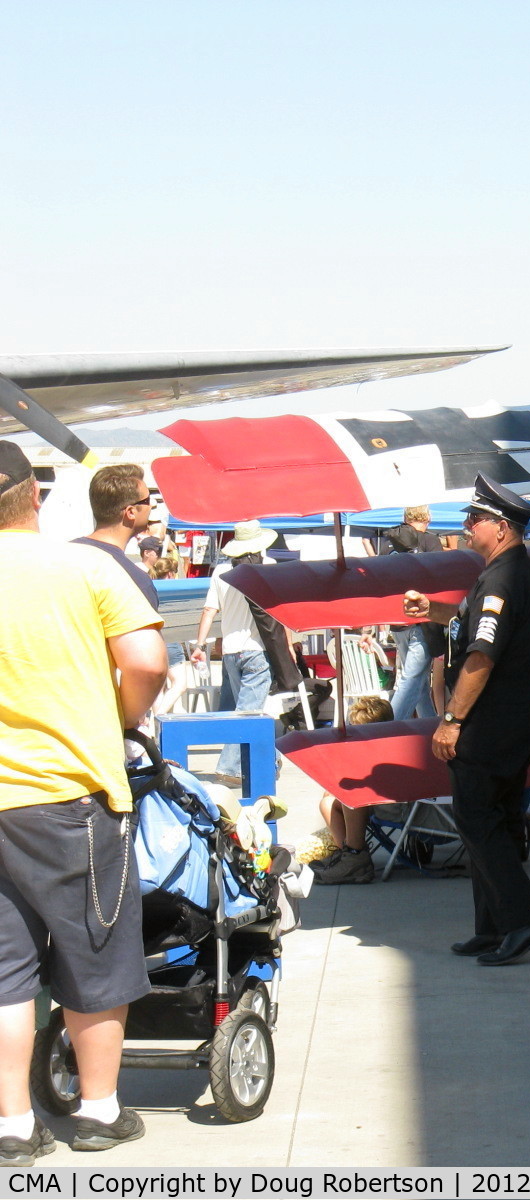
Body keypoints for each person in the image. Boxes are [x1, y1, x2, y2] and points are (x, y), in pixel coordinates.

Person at [0, 440, 166, 1160]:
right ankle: (98, 1111)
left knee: (4, 973)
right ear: (34, 496)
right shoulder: (84, 565)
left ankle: (11, 1125)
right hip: (71, 794)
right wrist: (119, 718)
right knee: (92, 953)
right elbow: (146, 661)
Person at [403, 475, 530, 966]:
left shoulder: (501, 580)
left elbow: (480, 656)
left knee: (476, 820)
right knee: (500, 822)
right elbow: (476, 621)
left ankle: (524, 922)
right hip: (515, 722)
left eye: (476, 519)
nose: (467, 527)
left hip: (489, 725)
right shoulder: (514, 574)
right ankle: (492, 929)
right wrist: (435, 609)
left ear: (502, 528)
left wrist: (450, 719)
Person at [190, 520, 280, 786]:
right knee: (249, 712)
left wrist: (199, 645)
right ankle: (229, 767)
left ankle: (270, 760)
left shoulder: (220, 571)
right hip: (257, 649)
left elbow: (209, 610)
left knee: (248, 710)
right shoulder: (269, 568)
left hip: (231, 651)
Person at [311, 696, 395, 885]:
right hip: (381, 800)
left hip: (392, 804)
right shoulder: (379, 746)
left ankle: (355, 856)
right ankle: (348, 856)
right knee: (328, 799)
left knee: (350, 792)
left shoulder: (385, 749)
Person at [378, 506, 446, 719]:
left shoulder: (387, 543)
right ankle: (389, 727)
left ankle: (428, 728)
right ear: (428, 517)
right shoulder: (429, 541)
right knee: (412, 680)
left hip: (397, 620)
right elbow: (441, 577)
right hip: (422, 620)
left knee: (419, 684)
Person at [71, 464, 158, 611]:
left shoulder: (57, 558)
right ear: (130, 512)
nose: (151, 507)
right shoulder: (135, 582)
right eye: (147, 501)